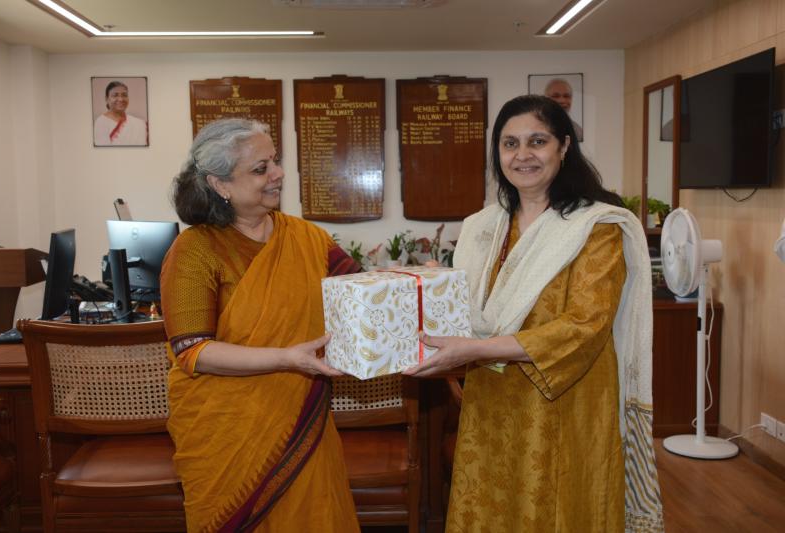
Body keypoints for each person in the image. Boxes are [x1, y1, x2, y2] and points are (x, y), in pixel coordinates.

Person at [403, 95, 663, 532]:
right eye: (510, 144)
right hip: (491, 400)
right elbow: (475, 311)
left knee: (556, 509)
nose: (522, 154)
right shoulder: (484, 228)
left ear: (564, 146)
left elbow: (585, 326)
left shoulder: (594, 227)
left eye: (537, 141)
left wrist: (478, 348)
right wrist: (437, 287)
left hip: (565, 400)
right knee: (491, 506)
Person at [161, 118, 361, 532]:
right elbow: (193, 350)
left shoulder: (307, 239)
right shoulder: (194, 251)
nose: (278, 174)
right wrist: (286, 359)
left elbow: (362, 292)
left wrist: (418, 282)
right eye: (260, 168)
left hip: (301, 421)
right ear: (220, 184)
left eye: (275, 161)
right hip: (227, 433)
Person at [93, 80, 148, 146]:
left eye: (124, 95)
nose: (121, 99)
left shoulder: (139, 123)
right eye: (115, 95)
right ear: (107, 99)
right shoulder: (101, 122)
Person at [544, 78, 584, 142]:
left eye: (566, 96)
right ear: (545, 99)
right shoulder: (537, 125)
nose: (562, 100)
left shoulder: (578, 131)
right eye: (556, 96)